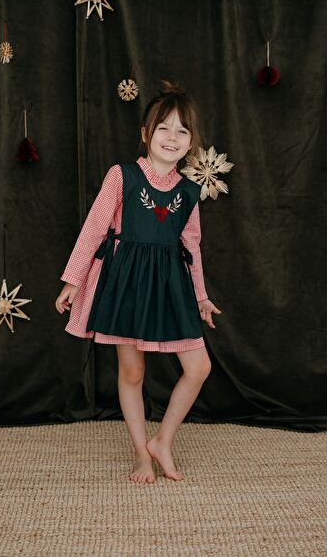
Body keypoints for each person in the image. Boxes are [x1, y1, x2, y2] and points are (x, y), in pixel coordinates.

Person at [55, 81, 222, 483]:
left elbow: (191, 246)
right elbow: (94, 228)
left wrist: (200, 295)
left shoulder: (189, 191)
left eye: (182, 131)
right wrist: (74, 278)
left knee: (198, 366)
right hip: (126, 282)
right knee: (132, 372)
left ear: (191, 142)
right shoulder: (122, 176)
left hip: (170, 286)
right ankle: (141, 454)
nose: (172, 137)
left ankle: (161, 441)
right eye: (163, 128)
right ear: (146, 134)